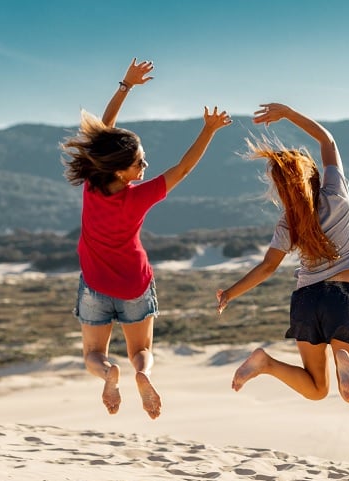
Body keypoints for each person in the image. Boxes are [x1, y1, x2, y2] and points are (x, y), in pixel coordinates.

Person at [62, 58, 232, 419]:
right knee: (142, 350)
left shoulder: (93, 186)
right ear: (122, 171)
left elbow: (102, 132)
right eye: (140, 163)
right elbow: (184, 167)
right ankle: (142, 374)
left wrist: (125, 85)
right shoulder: (139, 196)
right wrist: (209, 131)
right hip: (135, 285)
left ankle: (109, 373)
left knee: (93, 354)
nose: (145, 168)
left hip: (95, 286)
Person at [216, 103, 349, 404]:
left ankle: (266, 363)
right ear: (312, 174)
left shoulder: (288, 222)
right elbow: (327, 141)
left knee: (316, 389)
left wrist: (230, 294)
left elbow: (268, 267)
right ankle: (342, 356)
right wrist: (287, 113)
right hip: (344, 296)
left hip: (306, 301)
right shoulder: (335, 193)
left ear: (283, 191)